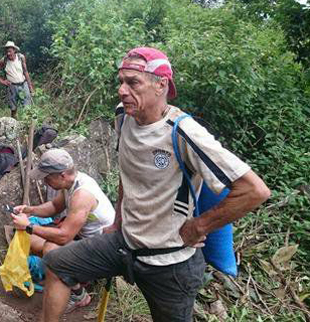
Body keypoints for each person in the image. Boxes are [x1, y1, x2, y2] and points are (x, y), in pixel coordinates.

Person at [39, 47, 271, 322]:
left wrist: (199, 226)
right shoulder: (123, 117)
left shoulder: (182, 131)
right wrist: (118, 219)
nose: (122, 90)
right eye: (121, 82)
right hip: (125, 245)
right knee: (57, 264)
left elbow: (254, 190)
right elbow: (129, 170)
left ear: (161, 85)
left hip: (171, 263)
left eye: (133, 82)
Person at [11, 149, 115, 312]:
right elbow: (54, 206)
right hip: (85, 240)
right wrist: (29, 210)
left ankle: (79, 294)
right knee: (30, 239)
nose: (45, 181)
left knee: (51, 249)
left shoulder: (82, 195)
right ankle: (69, 277)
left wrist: (29, 226)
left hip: (103, 251)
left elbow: (64, 237)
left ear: (62, 175)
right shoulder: (70, 185)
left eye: (47, 177)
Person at [0, 41, 34, 118]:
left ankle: (28, 125)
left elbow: (25, 72)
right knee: (13, 108)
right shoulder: (3, 60)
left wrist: (30, 87)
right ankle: (13, 124)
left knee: (27, 107)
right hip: (11, 86)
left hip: (23, 84)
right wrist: (2, 81)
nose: (8, 54)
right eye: (7, 51)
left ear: (14, 50)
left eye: (10, 51)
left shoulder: (21, 58)